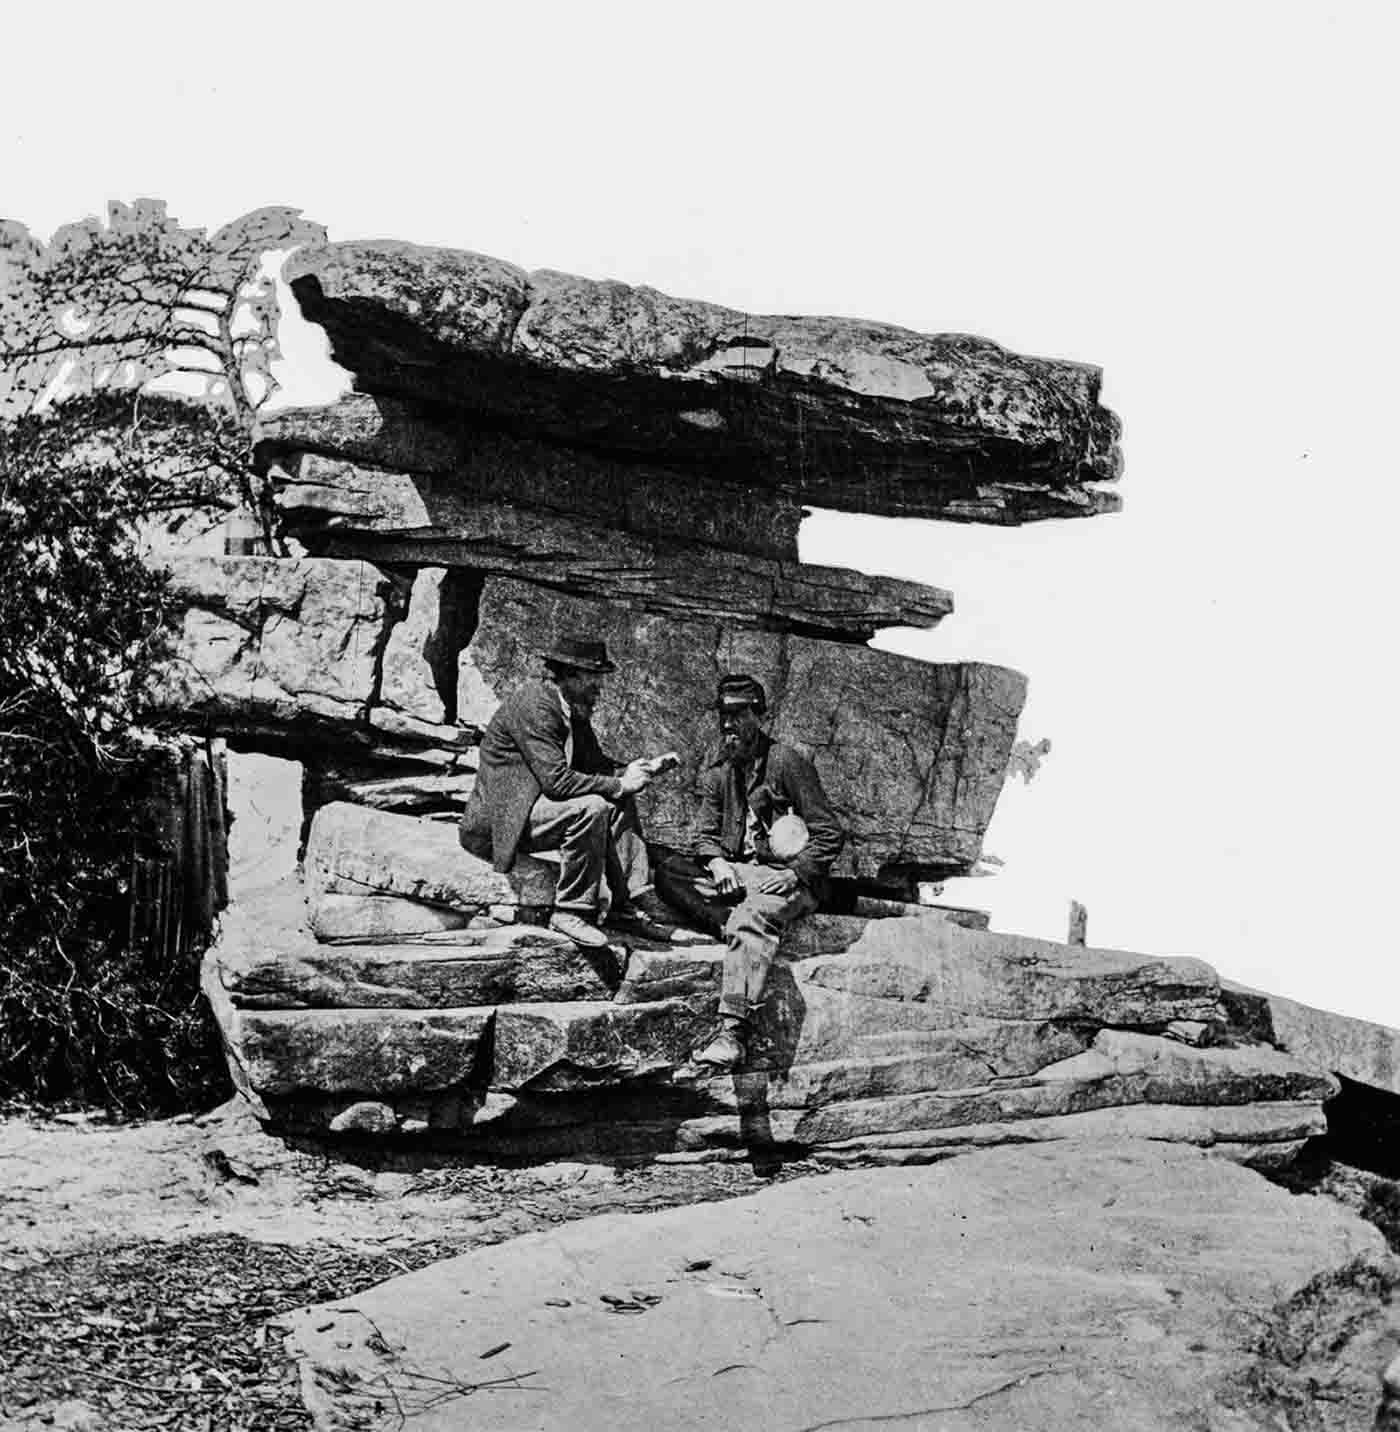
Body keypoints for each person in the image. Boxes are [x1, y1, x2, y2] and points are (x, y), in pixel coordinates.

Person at [656, 674, 844, 1070]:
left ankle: (732, 1032)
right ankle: (745, 935)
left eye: (739, 715)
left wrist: (796, 874)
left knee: (750, 913)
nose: (729, 725)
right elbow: (703, 836)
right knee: (671, 872)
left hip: (786, 877)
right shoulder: (719, 771)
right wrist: (718, 862)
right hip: (744, 874)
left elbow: (829, 834)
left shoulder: (786, 762)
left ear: (760, 715)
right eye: (724, 715)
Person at [459, 636, 681, 949]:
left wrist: (637, 771)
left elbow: (597, 769)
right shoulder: (534, 705)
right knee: (592, 807)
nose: (599, 688)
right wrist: (618, 783)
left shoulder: (572, 711)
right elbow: (557, 782)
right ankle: (571, 911)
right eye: (594, 679)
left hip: (535, 811)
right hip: (498, 825)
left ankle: (627, 905)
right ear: (571, 674)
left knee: (618, 799)